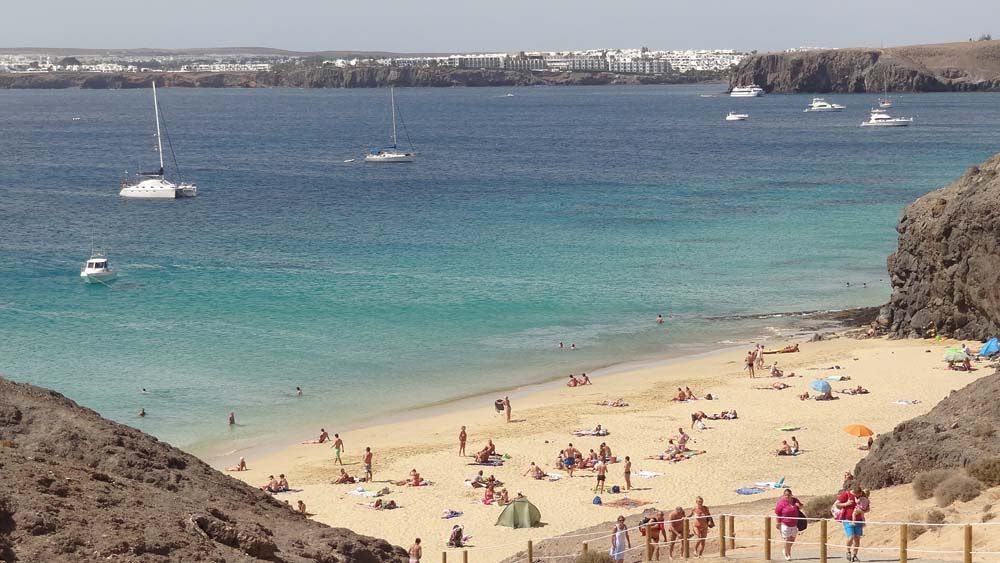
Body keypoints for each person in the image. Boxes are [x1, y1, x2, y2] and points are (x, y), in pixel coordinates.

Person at [835, 485, 864, 562]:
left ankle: (855, 555)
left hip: (858, 520)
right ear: (854, 492)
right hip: (847, 520)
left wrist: (865, 509)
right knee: (851, 536)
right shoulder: (846, 494)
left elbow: (866, 506)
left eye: (859, 495)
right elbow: (837, 504)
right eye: (857, 495)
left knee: (857, 538)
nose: (858, 496)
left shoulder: (861, 495)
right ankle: (848, 551)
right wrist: (846, 504)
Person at [775, 488, 803, 561]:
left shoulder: (795, 500)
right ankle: (788, 554)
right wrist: (778, 523)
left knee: (792, 539)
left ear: (791, 495)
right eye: (785, 495)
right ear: (784, 495)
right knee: (787, 539)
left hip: (794, 523)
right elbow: (778, 513)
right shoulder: (781, 503)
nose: (787, 496)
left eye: (788, 495)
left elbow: (801, 507)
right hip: (785, 523)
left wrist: (798, 505)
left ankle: (785, 549)